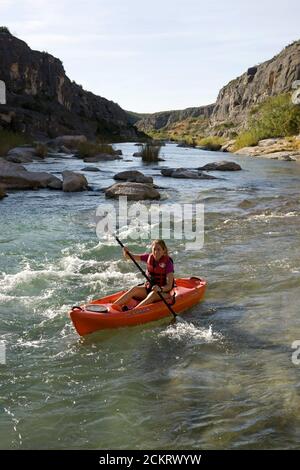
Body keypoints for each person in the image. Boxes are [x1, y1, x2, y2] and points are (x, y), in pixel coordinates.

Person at [112, 239, 175, 311]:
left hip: (163, 293)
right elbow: (130, 257)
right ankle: (112, 307)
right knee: (134, 289)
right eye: (154, 249)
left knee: (153, 294)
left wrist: (160, 289)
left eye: (159, 249)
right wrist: (126, 252)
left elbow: (169, 286)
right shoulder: (148, 257)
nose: (156, 252)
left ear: (164, 250)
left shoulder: (168, 263)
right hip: (149, 289)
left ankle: (133, 311)